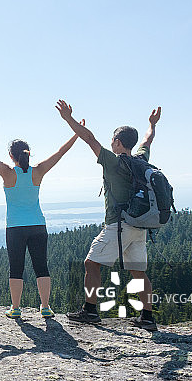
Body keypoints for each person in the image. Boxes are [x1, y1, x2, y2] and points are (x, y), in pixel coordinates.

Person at [0, 120, 82, 319]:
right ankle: (46, 307)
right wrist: (76, 133)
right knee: (42, 266)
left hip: (15, 227)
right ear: (28, 153)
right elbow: (60, 152)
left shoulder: (7, 173)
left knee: (16, 267)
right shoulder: (38, 171)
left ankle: (15, 309)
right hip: (38, 225)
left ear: (11, 155)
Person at [55, 100, 161, 331]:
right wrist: (152, 124)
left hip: (118, 226)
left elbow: (89, 139)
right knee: (138, 272)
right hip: (140, 226)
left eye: (113, 139)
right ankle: (147, 317)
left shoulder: (112, 162)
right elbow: (147, 140)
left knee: (91, 264)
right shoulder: (141, 160)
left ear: (118, 142)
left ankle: (90, 311)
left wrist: (68, 119)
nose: (110, 142)